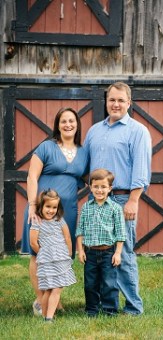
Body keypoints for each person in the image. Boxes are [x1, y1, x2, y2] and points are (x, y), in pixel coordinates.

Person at [83, 81, 152, 315]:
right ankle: (104, 303)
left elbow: (141, 170)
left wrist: (133, 200)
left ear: (129, 103)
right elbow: (86, 167)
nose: (116, 104)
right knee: (99, 254)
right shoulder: (94, 131)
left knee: (123, 252)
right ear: (106, 101)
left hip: (122, 200)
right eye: (112, 100)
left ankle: (133, 307)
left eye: (121, 100)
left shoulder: (137, 131)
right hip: (97, 201)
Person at [20, 107, 88, 316]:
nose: (68, 125)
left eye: (72, 121)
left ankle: (54, 298)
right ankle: (41, 301)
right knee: (38, 254)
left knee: (60, 254)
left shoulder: (84, 152)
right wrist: (33, 205)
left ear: (77, 125)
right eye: (63, 121)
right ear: (57, 125)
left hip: (67, 211)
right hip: (41, 210)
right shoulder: (46, 147)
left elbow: (89, 179)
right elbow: (32, 177)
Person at [76, 169, 126, 317]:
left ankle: (110, 311)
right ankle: (92, 310)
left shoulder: (115, 208)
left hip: (108, 252)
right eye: (96, 186)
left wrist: (117, 253)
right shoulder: (86, 207)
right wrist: (81, 250)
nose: (99, 190)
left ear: (110, 188)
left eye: (103, 187)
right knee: (90, 284)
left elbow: (120, 233)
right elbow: (80, 230)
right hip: (90, 252)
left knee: (109, 283)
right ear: (90, 187)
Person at [29, 189, 77, 322]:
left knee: (52, 289)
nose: (51, 210)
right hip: (47, 260)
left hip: (61, 258)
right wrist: (44, 254)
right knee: (53, 288)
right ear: (41, 206)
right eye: (48, 207)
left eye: (54, 207)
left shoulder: (59, 220)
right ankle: (48, 318)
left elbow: (67, 237)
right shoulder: (37, 222)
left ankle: (46, 316)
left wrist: (69, 253)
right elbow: (33, 243)